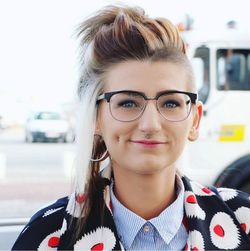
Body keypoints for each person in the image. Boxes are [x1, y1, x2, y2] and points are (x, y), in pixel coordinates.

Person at [12, 5, 250, 250]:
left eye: (170, 103)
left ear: (195, 119)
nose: (150, 124)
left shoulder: (243, 220)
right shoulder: (46, 234)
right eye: (127, 103)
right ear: (96, 118)